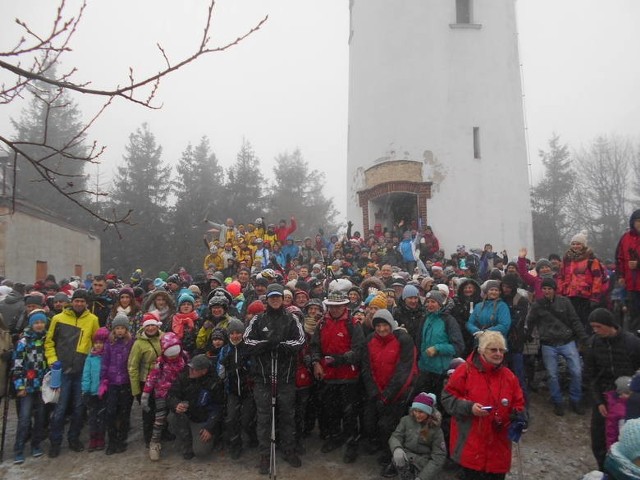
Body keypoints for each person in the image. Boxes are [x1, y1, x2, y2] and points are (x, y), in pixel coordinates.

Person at [442, 331, 526, 480]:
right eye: (493, 349)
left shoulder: (509, 376)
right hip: (471, 444)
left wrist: (519, 415)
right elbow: (447, 398)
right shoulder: (465, 371)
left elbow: (519, 403)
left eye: (501, 350)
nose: (498, 354)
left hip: (499, 447)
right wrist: (469, 408)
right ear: (482, 351)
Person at [243, 283, 306, 474]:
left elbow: (300, 341)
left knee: (287, 414)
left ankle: (288, 449)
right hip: (263, 377)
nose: (275, 300)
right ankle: (265, 453)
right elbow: (247, 341)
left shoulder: (292, 318)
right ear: (267, 300)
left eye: (278, 297)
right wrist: (266, 344)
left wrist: (282, 346)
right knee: (264, 417)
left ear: (282, 298)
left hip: (285, 376)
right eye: (272, 297)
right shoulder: (258, 319)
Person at [310, 290, 365, 463]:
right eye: (332, 306)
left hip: (348, 377)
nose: (334, 309)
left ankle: (351, 444)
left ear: (344, 306)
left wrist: (340, 359)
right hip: (328, 375)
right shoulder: (321, 323)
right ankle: (335, 437)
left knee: (349, 413)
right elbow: (314, 346)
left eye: (338, 306)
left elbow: (359, 350)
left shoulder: (353, 323)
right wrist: (316, 362)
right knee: (331, 411)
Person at [361, 309, 418, 474]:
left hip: (397, 393)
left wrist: (388, 395)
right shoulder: (370, 339)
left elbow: (404, 371)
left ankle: (392, 457)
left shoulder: (403, 340)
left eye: (384, 325)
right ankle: (381, 447)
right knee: (370, 422)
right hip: (377, 391)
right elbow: (367, 366)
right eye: (377, 325)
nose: (381, 329)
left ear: (391, 324)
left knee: (389, 426)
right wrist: (374, 391)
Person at [45, 289, 99, 457]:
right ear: (72, 301)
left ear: (87, 303)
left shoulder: (93, 320)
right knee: (60, 409)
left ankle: (73, 438)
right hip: (61, 371)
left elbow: (96, 344)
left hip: (81, 371)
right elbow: (49, 342)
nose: (79, 304)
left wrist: (92, 366)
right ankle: (55, 441)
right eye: (77, 300)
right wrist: (53, 361)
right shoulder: (58, 318)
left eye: (82, 301)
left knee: (78, 407)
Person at [584, 308, 640, 471]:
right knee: (599, 439)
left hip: (630, 400)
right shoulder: (593, 343)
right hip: (604, 399)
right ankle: (604, 469)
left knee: (629, 439)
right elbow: (590, 374)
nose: (595, 330)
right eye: (593, 327)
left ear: (610, 325)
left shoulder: (632, 343)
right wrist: (598, 401)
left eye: (598, 326)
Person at [525, 277, 587, 416]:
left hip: (567, 340)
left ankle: (575, 399)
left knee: (576, 371)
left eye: (549, 289)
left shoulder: (565, 302)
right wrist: (528, 334)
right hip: (548, 343)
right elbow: (530, 321)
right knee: (552, 374)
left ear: (554, 289)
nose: (546, 291)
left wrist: (583, 337)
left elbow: (574, 320)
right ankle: (557, 401)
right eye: (544, 289)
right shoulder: (537, 305)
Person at [167, 354, 225, 459]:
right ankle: (186, 441)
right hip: (187, 415)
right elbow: (171, 395)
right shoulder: (183, 376)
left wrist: (210, 427)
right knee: (172, 417)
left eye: (195, 369)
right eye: (190, 367)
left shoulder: (214, 383)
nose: (191, 371)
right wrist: (176, 404)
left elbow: (219, 407)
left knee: (201, 452)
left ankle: (215, 437)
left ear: (204, 371)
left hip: (203, 420)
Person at [142, 332, 189, 461]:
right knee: (160, 417)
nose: (173, 356)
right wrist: (145, 394)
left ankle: (186, 441)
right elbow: (152, 378)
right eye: (170, 353)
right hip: (162, 392)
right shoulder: (160, 362)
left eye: (175, 353)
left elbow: (189, 372)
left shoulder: (184, 357)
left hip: (178, 392)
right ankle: (154, 443)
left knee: (182, 414)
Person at [11, 310, 49, 464]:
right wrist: (19, 385)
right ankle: (19, 449)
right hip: (27, 385)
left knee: (40, 418)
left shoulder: (47, 339)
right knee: (25, 418)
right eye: (36, 323)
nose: (39, 325)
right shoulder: (24, 342)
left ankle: (36, 445)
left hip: (42, 385)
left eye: (41, 322)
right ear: (31, 324)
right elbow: (17, 365)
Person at [217, 318, 257, 459]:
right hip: (232, 390)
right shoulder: (225, 349)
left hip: (247, 390)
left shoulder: (247, 348)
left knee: (247, 418)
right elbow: (220, 372)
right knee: (232, 418)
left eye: (238, 333)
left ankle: (252, 437)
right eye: (232, 333)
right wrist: (223, 365)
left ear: (242, 333)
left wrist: (246, 366)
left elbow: (255, 367)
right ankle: (235, 444)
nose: (235, 336)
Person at [388, 392, 447, 480]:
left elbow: (438, 457)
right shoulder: (405, 421)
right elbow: (396, 436)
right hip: (406, 457)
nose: (417, 414)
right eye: (415, 410)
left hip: (424, 462)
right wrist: (397, 448)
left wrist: (422, 477)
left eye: (421, 412)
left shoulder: (436, 430)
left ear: (428, 412)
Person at [127, 312, 164, 447]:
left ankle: (163, 432)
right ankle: (149, 436)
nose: (150, 328)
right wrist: (136, 389)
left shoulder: (163, 337)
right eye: (148, 326)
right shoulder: (138, 344)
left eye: (153, 325)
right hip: (145, 380)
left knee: (161, 407)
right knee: (148, 411)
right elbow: (133, 367)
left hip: (162, 379)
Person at [100, 314, 134, 454]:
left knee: (124, 412)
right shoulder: (109, 344)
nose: (120, 331)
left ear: (126, 330)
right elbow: (105, 363)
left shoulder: (130, 343)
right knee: (111, 412)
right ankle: (112, 440)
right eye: (117, 328)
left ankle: (122, 439)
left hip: (126, 382)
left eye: (122, 328)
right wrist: (103, 380)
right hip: (112, 382)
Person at [557, 231, 605, 331]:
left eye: (578, 244)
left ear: (583, 245)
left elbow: (597, 278)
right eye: (573, 244)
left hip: (585, 296)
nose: (575, 246)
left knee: (585, 322)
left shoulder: (591, 260)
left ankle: (586, 343)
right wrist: (560, 293)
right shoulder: (566, 259)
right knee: (572, 322)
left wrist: (595, 297)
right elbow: (561, 276)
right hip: (569, 295)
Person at [82, 327, 110, 452]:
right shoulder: (90, 358)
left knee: (103, 416)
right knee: (93, 417)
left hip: (104, 392)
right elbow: (86, 374)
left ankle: (101, 437)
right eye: (96, 343)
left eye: (101, 343)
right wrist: (85, 390)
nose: (98, 345)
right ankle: (93, 438)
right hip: (92, 392)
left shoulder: (107, 357)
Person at [615, 209, 640, 334]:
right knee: (633, 318)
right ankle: (635, 344)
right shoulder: (625, 238)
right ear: (633, 222)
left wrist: (638, 264)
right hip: (631, 286)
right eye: (638, 221)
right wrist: (620, 276)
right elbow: (619, 258)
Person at [605, 376, 632, 450]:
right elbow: (611, 431)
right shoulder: (616, 409)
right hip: (621, 445)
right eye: (627, 393)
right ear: (620, 394)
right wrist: (611, 447)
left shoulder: (634, 405)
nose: (630, 396)